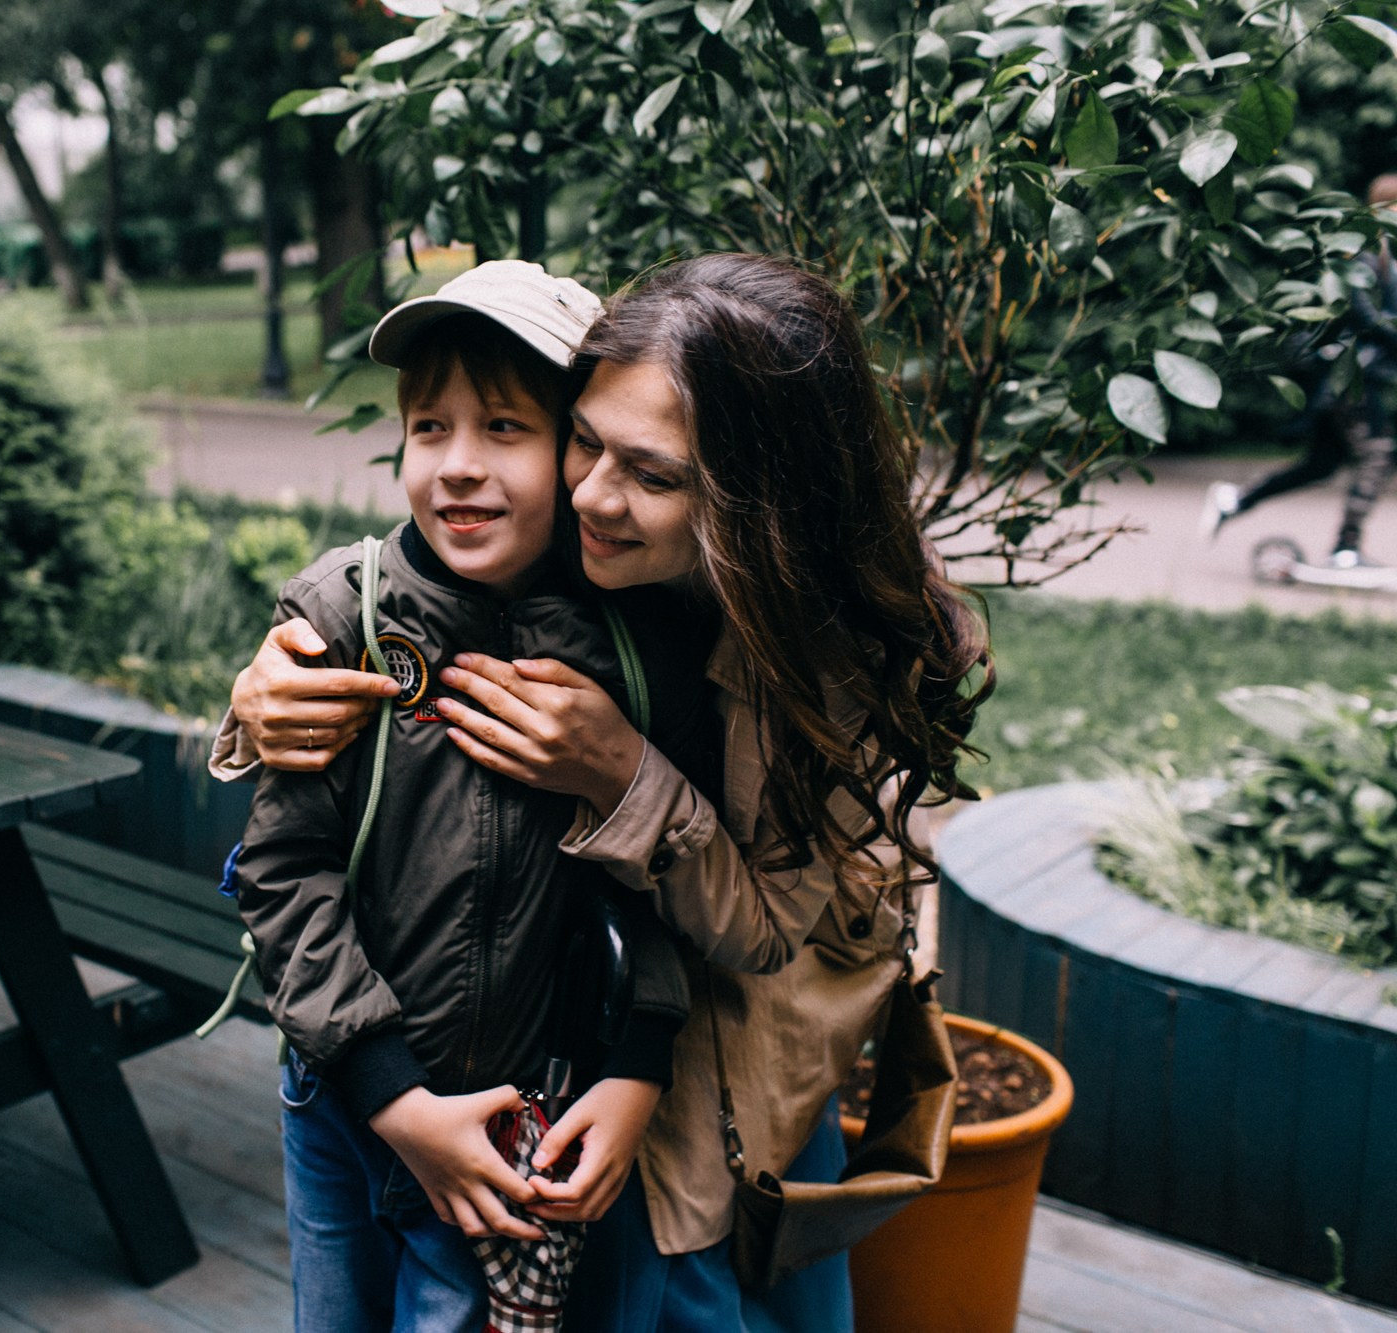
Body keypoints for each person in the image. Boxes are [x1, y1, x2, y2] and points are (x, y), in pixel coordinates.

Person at [223, 253, 992, 1331]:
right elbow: (305, 829)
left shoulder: (795, 651)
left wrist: (622, 775)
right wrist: (264, 693)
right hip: (450, 1066)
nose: (588, 493)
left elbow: (743, 923)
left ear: (750, 503)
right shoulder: (539, 576)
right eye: (583, 441)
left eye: (652, 475)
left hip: (730, 1053)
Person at [224, 260, 692, 1331]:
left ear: (575, 451)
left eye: (505, 428)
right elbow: (280, 869)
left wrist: (639, 1062)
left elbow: (652, 886)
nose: (459, 466)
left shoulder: (630, 642)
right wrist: (389, 1092)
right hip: (344, 1095)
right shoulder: (348, 621)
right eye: (428, 429)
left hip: (507, 1120)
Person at [1201, 174, 1397, 568]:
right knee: (1377, 455)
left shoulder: (1385, 256)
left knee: (1321, 464)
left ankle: (1235, 500)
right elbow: (1363, 315)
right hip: (1348, 375)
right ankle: (1345, 549)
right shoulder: (1363, 251)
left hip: (1352, 375)